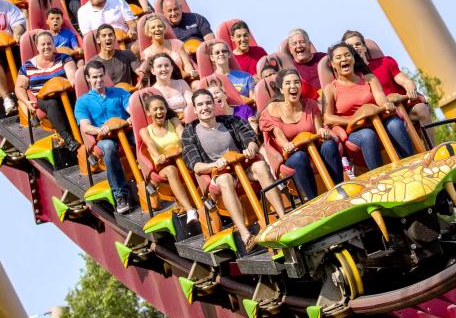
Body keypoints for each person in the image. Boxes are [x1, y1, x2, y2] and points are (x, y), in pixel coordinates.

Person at [182, 89, 286, 249]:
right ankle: (245, 235)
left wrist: (250, 149)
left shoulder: (232, 121)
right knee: (225, 179)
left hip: (242, 164)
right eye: (200, 105)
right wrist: (214, 165)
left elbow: (250, 138)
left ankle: (283, 217)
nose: (205, 107)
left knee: (260, 165)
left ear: (215, 104)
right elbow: (195, 165)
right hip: (218, 172)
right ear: (195, 109)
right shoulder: (189, 132)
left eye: (208, 103)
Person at [321, 43, 411, 170]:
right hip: (355, 130)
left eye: (347, 55)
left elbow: (380, 97)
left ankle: (411, 164)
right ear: (332, 64)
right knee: (367, 135)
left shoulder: (369, 78)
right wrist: (354, 119)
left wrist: (386, 104)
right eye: (339, 57)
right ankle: (379, 177)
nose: (344, 59)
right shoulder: (330, 88)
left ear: (353, 58)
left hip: (377, 120)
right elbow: (327, 118)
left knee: (394, 124)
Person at [260, 67, 342, 200]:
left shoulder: (310, 104)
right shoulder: (273, 109)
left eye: (296, 82)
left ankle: (339, 189)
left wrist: (322, 131)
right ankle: (313, 200)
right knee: (299, 157)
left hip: (314, 148)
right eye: (288, 83)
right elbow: (279, 136)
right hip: (292, 154)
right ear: (281, 89)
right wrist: (287, 145)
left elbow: (318, 129)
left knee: (329, 145)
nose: (293, 86)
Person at [75, 60, 138, 214]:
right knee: (109, 148)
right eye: (94, 77)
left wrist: (132, 117)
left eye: (101, 76)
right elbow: (85, 126)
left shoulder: (119, 93)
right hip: (104, 137)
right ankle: (120, 194)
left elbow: (131, 108)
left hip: (125, 131)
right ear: (88, 79)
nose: (99, 80)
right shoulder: (83, 101)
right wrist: (99, 130)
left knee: (142, 139)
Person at [342, 30, 433, 126]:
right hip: (385, 115)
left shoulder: (385, 62)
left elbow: (405, 81)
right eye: (351, 47)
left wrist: (411, 91)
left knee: (421, 108)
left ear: (364, 47)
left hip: (404, 106)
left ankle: (431, 141)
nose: (355, 48)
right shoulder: (352, 78)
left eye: (358, 44)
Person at [14, 30, 81, 155]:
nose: (46, 47)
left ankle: (80, 132)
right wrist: (26, 102)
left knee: (77, 101)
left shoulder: (63, 58)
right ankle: (67, 137)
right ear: (37, 47)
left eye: (49, 44)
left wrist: (72, 79)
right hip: (44, 98)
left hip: (66, 93)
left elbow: (71, 71)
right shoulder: (28, 66)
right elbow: (19, 87)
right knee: (52, 103)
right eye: (43, 44)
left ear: (53, 45)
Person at [137, 93, 199, 228]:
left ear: (166, 109)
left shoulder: (174, 122)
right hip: (163, 165)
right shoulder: (145, 131)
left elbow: (183, 135)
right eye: (155, 109)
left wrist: (187, 146)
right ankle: (190, 210)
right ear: (148, 112)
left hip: (182, 158)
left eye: (162, 108)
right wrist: (158, 156)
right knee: (171, 170)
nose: (159, 112)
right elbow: (150, 144)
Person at [139, 16, 196, 80]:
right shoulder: (147, 53)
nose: (157, 29)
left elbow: (187, 64)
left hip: (184, 79)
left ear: (164, 29)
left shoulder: (177, 43)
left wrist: (190, 73)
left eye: (160, 26)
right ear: (149, 33)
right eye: (153, 28)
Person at [144, 53, 194, 117]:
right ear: (153, 70)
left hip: (187, 119)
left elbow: (192, 104)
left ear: (172, 68)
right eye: (159, 66)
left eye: (167, 65)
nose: (164, 69)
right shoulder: (152, 91)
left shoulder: (182, 83)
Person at [286, 28, 326, 94]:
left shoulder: (324, 59)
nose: (298, 46)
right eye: (294, 44)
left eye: (302, 42)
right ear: (290, 49)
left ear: (309, 45)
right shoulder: (289, 70)